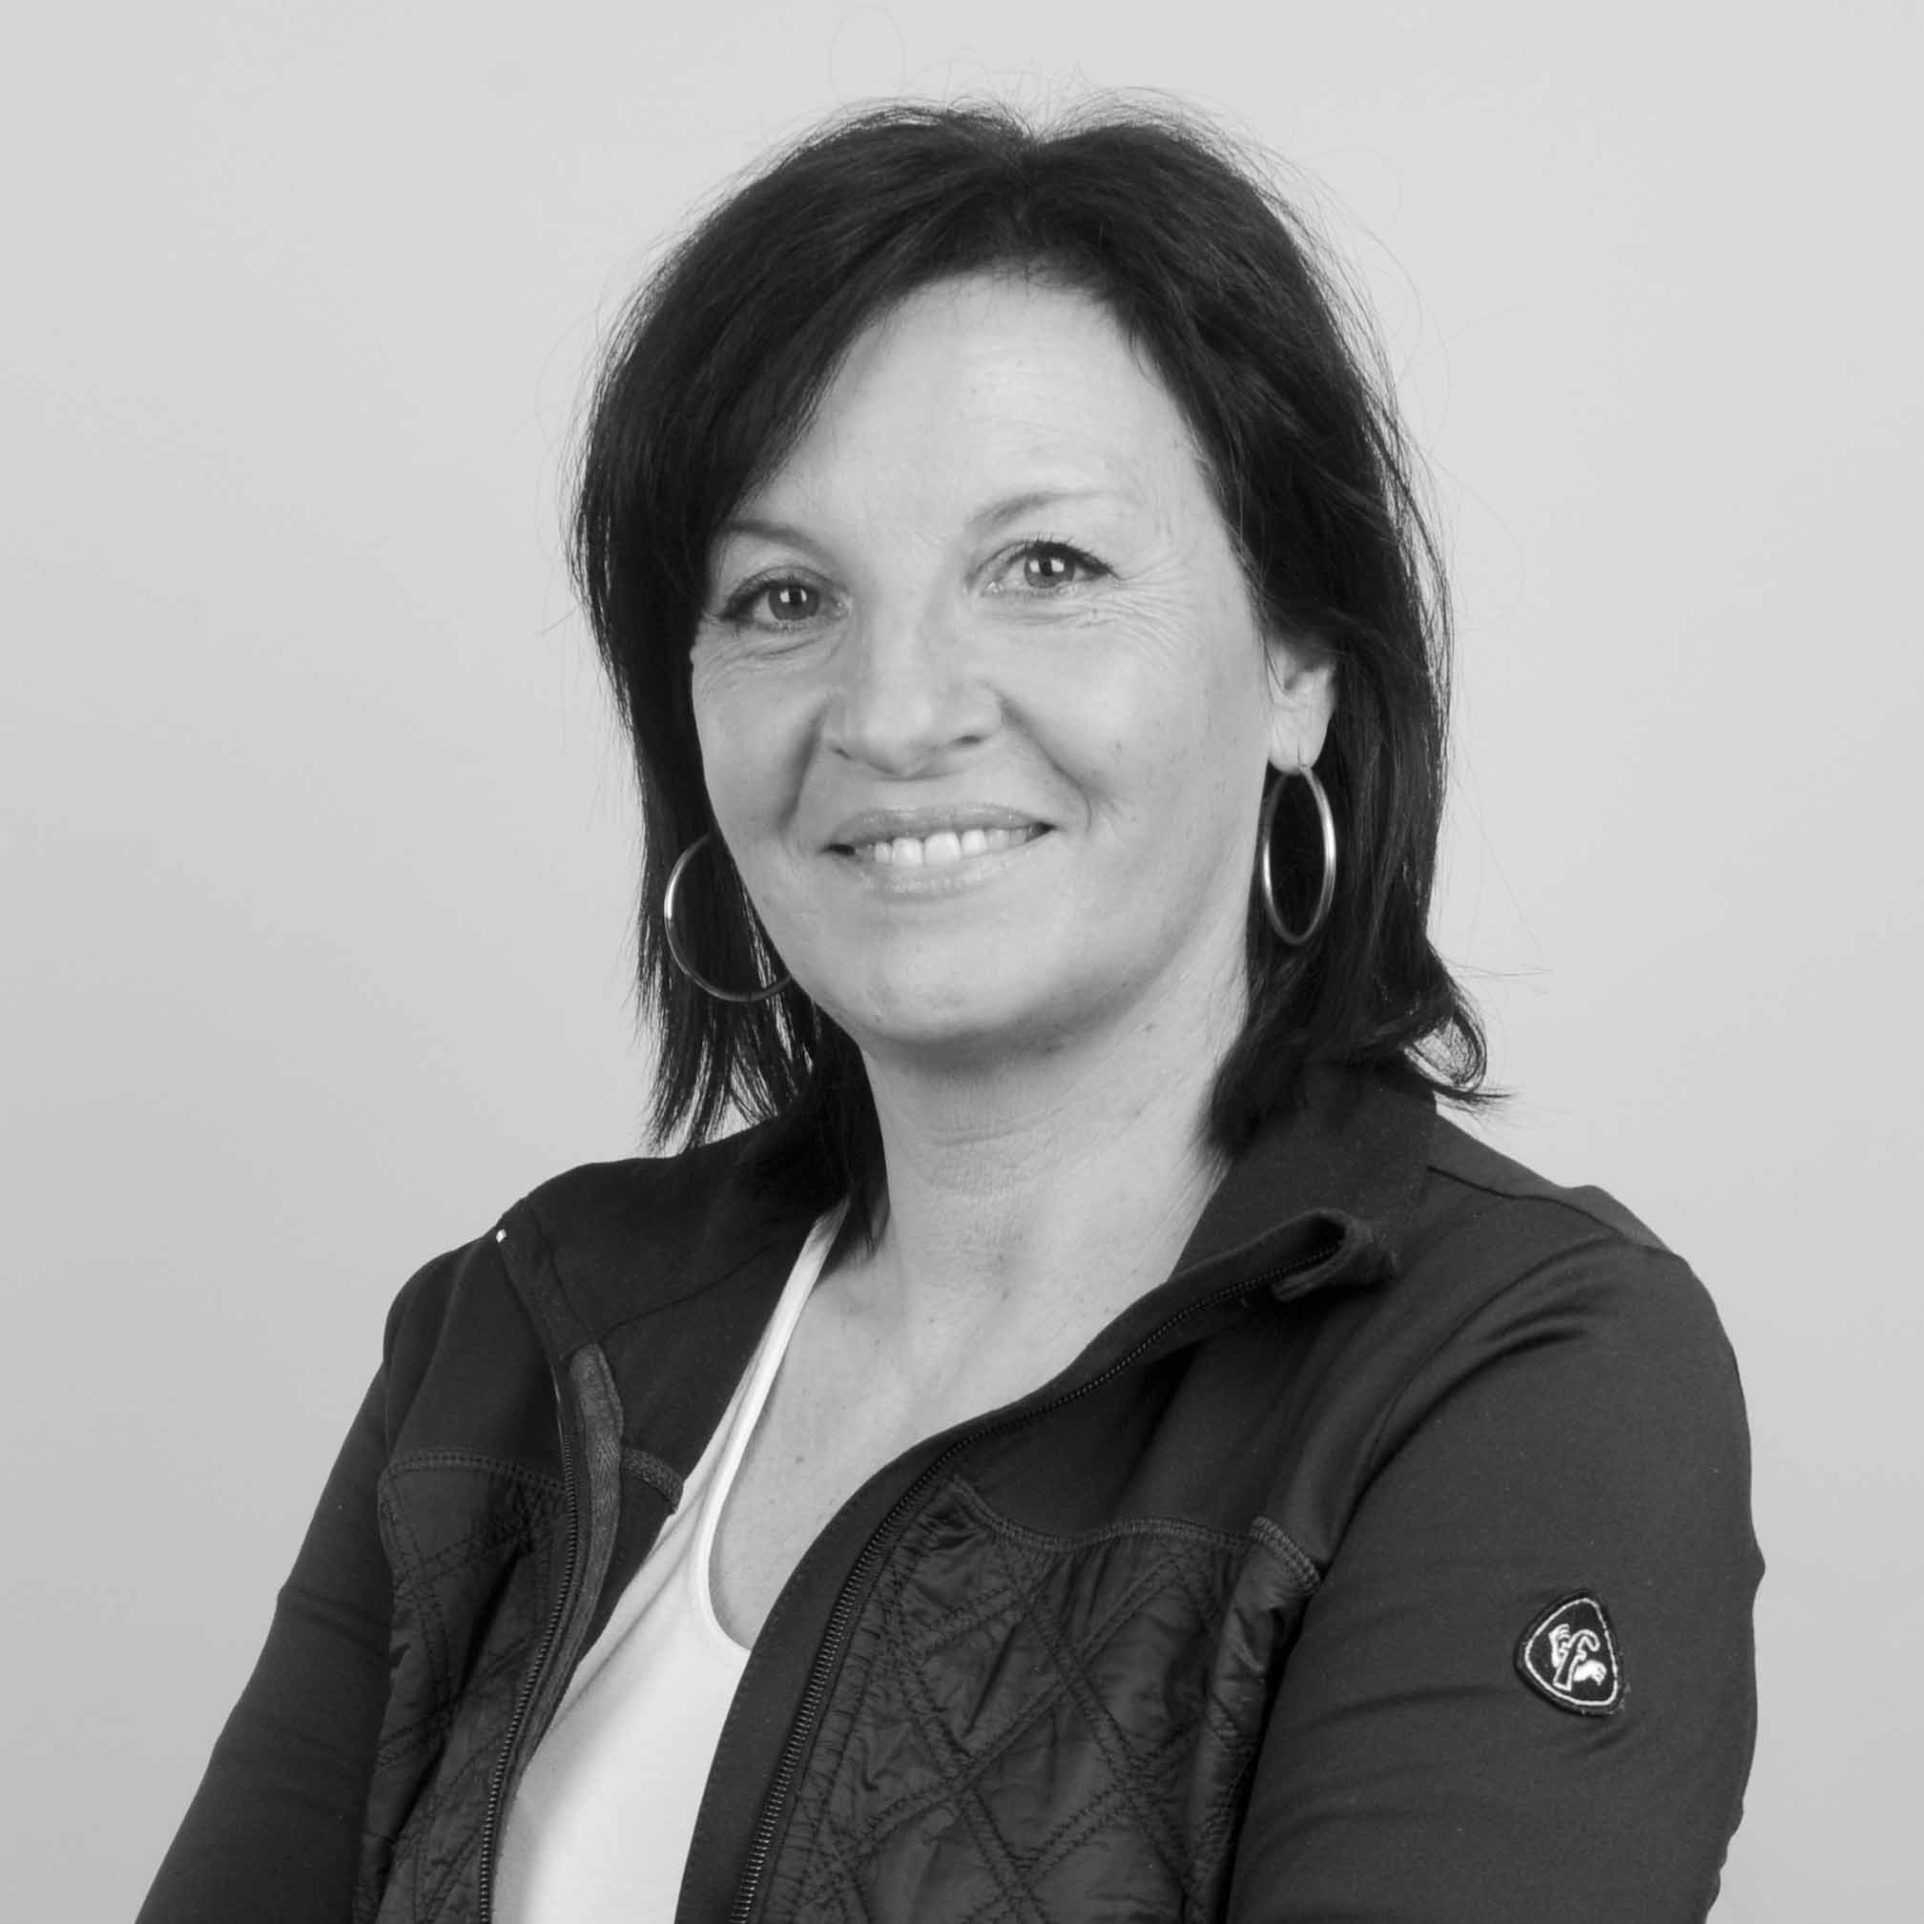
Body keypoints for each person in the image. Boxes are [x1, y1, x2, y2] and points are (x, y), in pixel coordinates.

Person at [138, 101, 1760, 1924]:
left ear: (1300, 660)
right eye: (784, 596)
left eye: (1045, 569)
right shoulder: (514, 1339)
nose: (896, 712)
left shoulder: (1521, 1377)